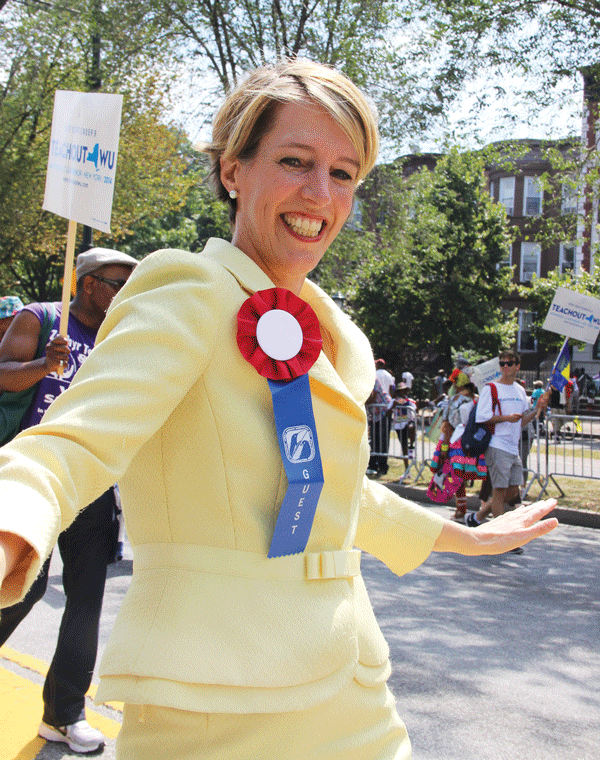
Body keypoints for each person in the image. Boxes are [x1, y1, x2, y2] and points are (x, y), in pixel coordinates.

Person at [0, 60, 557, 760]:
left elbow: (330, 494)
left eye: (344, 173)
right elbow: (71, 445)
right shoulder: (186, 289)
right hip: (217, 707)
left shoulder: (322, 327)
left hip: (354, 695)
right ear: (234, 170)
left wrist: (468, 539)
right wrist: (11, 522)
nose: (320, 193)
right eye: (295, 160)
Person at [0, 247, 138, 753]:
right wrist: (45, 362)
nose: (124, 293)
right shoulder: (41, 318)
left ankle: (63, 714)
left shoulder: (118, 335)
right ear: (85, 283)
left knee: (86, 595)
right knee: (24, 587)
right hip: (33, 475)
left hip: (89, 480)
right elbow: (2, 375)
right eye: (116, 283)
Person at [465, 350, 548, 550]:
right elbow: (482, 417)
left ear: (518, 366)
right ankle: (502, 540)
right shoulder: (491, 388)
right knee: (500, 490)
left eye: (510, 363)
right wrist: (505, 418)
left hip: (513, 447)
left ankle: (478, 517)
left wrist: (538, 408)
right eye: (502, 363)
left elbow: (522, 421)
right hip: (496, 444)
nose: (505, 366)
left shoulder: (520, 390)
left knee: (511, 493)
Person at [431, 381, 487, 520]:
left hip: (457, 442)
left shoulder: (455, 400)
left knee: (457, 475)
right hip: (477, 440)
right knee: (486, 474)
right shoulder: (480, 400)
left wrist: (443, 449)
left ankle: (461, 510)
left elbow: (448, 425)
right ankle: (485, 508)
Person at [366, 374, 392, 476]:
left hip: (384, 411)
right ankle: (372, 465)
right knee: (374, 439)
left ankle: (382, 466)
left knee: (382, 440)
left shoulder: (371, 376)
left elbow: (373, 397)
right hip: (374, 414)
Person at [389, 384, 416, 476]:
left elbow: (415, 409)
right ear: (398, 392)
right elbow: (387, 412)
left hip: (408, 423)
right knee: (404, 447)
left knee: (411, 427)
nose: (403, 392)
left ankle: (412, 444)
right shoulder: (393, 401)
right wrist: (393, 405)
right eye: (401, 391)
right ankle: (406, 469)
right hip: (399, 425)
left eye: (404, 390)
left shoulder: (410, 401)